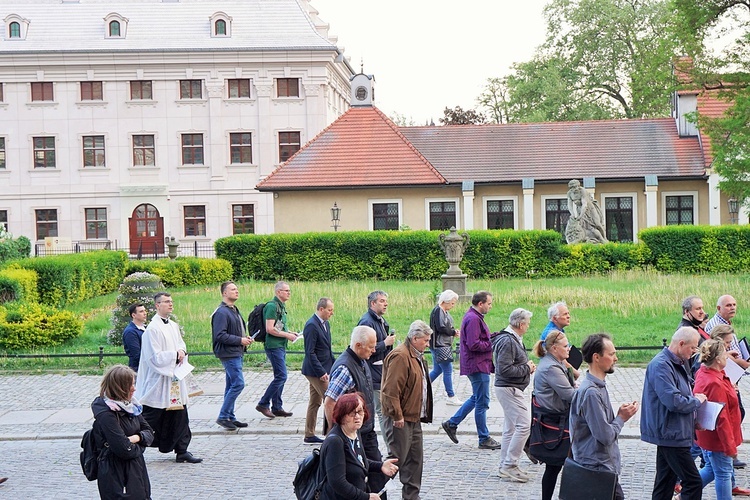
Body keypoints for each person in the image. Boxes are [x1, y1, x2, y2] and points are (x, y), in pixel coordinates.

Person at [135, 292, 202, 464]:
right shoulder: (152, 329)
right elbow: (154, 358)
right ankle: (134, 446)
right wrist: (175, 355)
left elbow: (181, 344)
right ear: (157, 305)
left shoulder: (173, 325)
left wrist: (181, 353)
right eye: (166, 302)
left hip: (174, 378)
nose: (170, 304)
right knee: (152, 417)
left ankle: (182, 450)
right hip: (159, 382)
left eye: (171, 301)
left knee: (181, 416)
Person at [641, 327, 706, 500]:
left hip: (673, 431)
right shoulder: (661, 365)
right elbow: (674, 401)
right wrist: (697, 402)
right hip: (671, 434)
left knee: (665, 483)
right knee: (693, 482)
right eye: (692, 348)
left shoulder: (678, 362)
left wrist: (694, 418)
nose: (694, 353)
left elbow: (683, 393)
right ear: (681, 343)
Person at [570, 333, 638, 500]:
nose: (615, 358)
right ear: (596, 357)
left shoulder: (597, 388)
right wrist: (621, 418)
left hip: (600, 467)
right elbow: (605, 436)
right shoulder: (591, 393)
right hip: (596, 469)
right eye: (611, 354)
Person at [324, 326, 389, 498]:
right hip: (352, 433)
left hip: (363, 431)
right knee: (363, 478)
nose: (374, 350)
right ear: (358, 345)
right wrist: (337, 432)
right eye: (371, 346)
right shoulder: (345, 368)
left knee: (374, 475)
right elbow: (329, 402)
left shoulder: (361, 360)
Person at [442, 290, 502, 450]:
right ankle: (483, 438)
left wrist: (493, 337)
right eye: (489, 303)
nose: (490, 306)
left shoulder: (474, 317)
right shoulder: (473, 319)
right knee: (482, 402)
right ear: (480, 303)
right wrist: (492, 344)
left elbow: (477, 340)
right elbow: (474, 344)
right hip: (477, 365)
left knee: (477, 398)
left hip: (477, 364)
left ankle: (452, 423)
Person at [381, 320, 433, 500]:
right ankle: (373, 491)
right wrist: (397, 415)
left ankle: (411, 496)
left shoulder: (418, 355)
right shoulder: (401, 356)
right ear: (415, 338)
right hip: (400, 418)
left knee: (415, 460)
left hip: (414, 416)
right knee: (397, 458)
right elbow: (391, 390)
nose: (428, 344)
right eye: (425, 340)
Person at [319, 393, 399, 500]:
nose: (357, 417)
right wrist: (365, 497)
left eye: (360, 411)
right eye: (352, 413)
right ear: (342, 416)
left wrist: (380, 466)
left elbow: (358, 461)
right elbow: (337, 482)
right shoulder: (335, 442)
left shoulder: (355, 432)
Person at [92, 364, 154, 499]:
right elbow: (123, 449)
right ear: (119, 387)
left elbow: (149, 432)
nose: (134, 388)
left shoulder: (131, 406)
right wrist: (140, 444)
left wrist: (136, 438)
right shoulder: (106, 413)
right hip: (116, 472)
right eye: (130, 385)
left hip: (136, 469)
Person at [694, 339, 743, 500]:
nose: (726, 358)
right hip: (718, 439)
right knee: (724, 474)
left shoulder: (706, 372)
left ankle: (687, 492)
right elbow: (722, 419)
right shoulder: (714, 382)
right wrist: (730, 448)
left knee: (711, 468)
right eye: (724, 354)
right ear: (717, 359)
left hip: (708, 436)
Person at [492, 308, 536, 482]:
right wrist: (527, 368)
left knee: (510, 428)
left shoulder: (513, 339)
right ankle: (510, 464)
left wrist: (525, 365)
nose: (528, 326)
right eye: (527, 323)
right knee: (524, 425)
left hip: (510, 387)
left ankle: (505, 465)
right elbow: (504, 369)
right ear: (521, 324)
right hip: (508, 388)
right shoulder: (508, 341)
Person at [531, 329, 576, 500]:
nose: (569, 349)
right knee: (557, 466)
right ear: (554, 349)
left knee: (554, 467)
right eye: (566, 346)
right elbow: (570, 395)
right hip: (555, 423)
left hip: (556, 419)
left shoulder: (553, 363)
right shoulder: (551, 367)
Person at [705, 294, 747, 470]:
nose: (732, 307)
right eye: (728, 305)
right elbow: (721, 417)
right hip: (728, 382)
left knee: (738, 413)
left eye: (734, 304)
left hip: (731, 381)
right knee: (717, 471)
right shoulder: (716, 329)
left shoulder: (726, 326)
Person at [211, 281, 252, 431]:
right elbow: (220, 335)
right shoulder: (222, 312)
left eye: (237, 289)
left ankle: (230, 416)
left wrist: (245, 338)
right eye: (233, 289)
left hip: (236, 351)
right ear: (224, 293)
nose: (236, 291)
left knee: (230, 385)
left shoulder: (233, 309)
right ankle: (223, 416)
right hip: (229, 353)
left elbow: (234, 330)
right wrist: (240, 340)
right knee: (238, 383)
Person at [357, 290, 395, 449]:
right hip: (373, 375)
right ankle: (392, 449)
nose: (385, 304)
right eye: (381, 301)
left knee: (381, 412)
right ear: (373, 304)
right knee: (382, 413)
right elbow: (363, 349)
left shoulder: (379, 320)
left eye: (386, 301)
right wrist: (384, 344)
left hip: (381, 373)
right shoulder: (367, 322)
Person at [256, 281, 299, 419]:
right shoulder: (272, 306)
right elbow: (270, 329)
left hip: (280, 345)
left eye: (289, 291)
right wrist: (288, 335)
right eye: (286, 290)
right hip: (274, 346)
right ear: (278, 292)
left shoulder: (281, 306)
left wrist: (291, 332)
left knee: (279, 376)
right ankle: (263, 404)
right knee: (282, 376)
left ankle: (277, 407)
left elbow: (278, 326)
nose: (289, 293)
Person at [301, 297, 336, 444]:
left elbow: (327, 349)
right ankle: (333, 434)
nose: (331, 313)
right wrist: (321, 372)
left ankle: (309, 434)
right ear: (321, 309)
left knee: (314, 402)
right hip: (315, 371)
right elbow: (310, 352)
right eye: (329, 310)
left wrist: (335, 364)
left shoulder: (325, 324)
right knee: (330, 400)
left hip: (324, 367)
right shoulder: (311, 325)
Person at [428, 289, 462, 406]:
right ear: (445, 301)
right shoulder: (438, 311)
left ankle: (421, 386)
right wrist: (452, 332)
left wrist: (453, 331)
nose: (453, 305)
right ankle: (451, 395)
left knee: (437, 370)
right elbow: (441, 327)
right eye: (452, 303)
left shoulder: (442, 311)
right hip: (440, 345)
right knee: (448, 370)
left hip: (441, 344)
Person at [122, 303, 147, 372]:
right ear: (133, 315)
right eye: (141, 311)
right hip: (138, 368)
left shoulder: (146, 328)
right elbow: (136, 354)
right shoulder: (130, 331)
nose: (145, 313)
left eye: (145, 311)